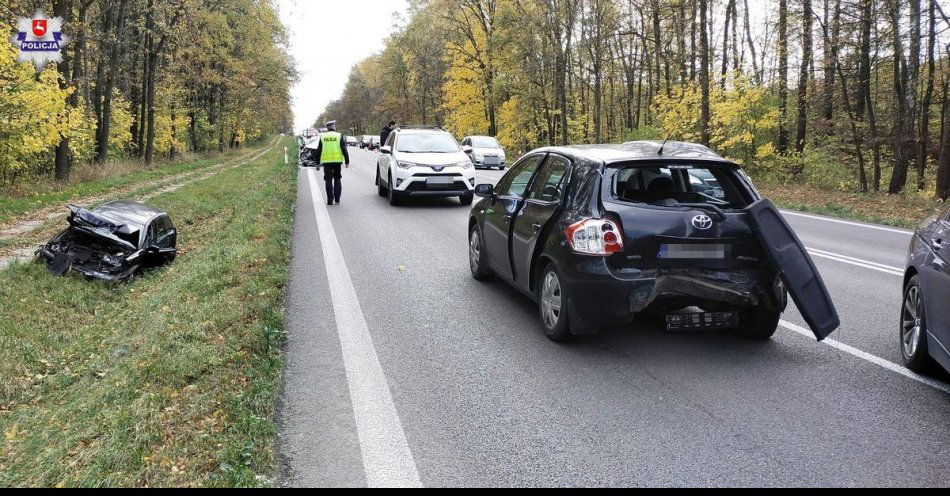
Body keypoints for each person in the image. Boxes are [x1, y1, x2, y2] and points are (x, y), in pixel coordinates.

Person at [313, 120, 350, 205]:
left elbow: (318, 151)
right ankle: (337, 199)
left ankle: (330, 200)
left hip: (327, 162)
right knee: (337, 179)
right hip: (337, 162)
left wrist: (317, 163)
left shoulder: (323, 137)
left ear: (327, 128)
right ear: (334, 127)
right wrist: (347, 161)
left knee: (328, 180)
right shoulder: (339, 136)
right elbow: (344, 149)